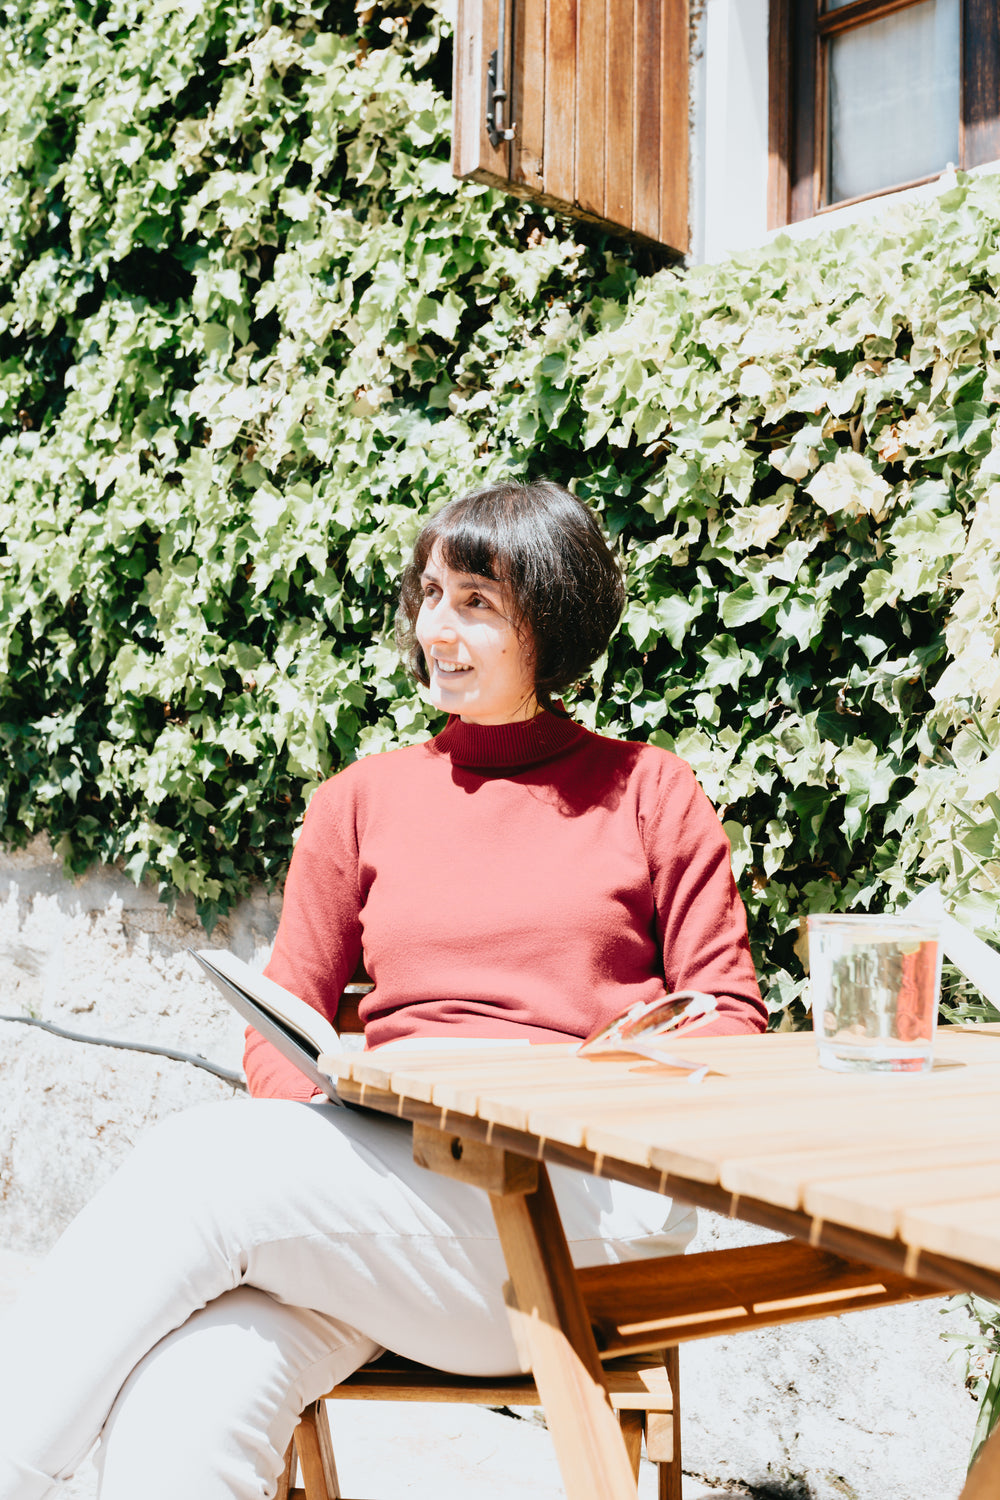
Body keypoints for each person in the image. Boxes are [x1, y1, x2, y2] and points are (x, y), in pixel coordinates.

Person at [0, 480, 765, 1500]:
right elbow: (279, 1033)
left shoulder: (649, 793)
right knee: (191, 1396)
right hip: (386, 1202)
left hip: (577, 1216)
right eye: (428, 594)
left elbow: (731, 1024)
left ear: (554, 616)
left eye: (476, 604)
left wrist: (612, 1067)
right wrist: (341, 1115)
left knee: (193, 1168)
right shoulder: (361, 800)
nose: (434, 628)